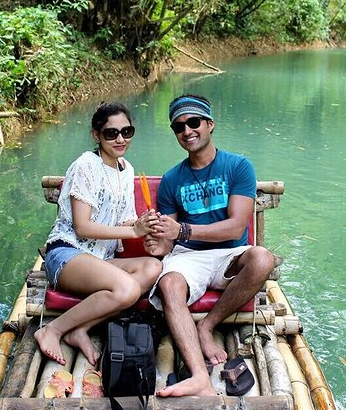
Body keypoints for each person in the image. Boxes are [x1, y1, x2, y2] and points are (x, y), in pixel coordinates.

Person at [144, 94, 275, 397]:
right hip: (188, 256)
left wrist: (184, 229)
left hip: (230, 252)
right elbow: (167, 242)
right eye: (179, 126)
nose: (187, 131)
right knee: (170, 284)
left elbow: (237, 225)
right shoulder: (171, 179)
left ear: (209, 124)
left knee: (263, 259)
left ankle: (208, 325)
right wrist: (155, 242)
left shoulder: (238, 166)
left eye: (193, 122)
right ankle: (200, 376)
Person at [34, 101, 162, 366]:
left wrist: (143, 224)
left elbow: (125, 219)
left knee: (153, 267)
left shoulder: (126, 169)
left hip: (100, 259)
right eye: (111, 133)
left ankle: (80, 328)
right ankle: (53, 330)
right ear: (96, 134)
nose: (120, 139)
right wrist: (134, 231)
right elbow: (83, 226)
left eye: (126, 132)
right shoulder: (85, 166)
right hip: (68, 253)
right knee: (127, 289)